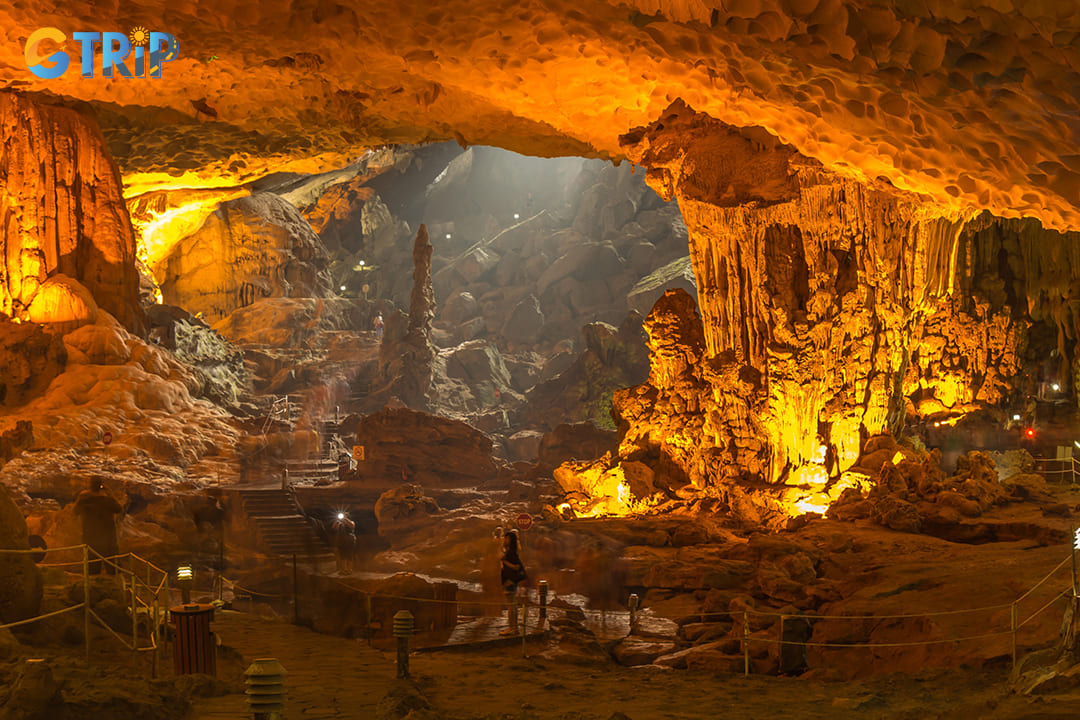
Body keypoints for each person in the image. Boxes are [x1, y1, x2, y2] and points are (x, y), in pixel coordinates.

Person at [74, 478, 123, 574]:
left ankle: (92, 587)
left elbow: (75, 511)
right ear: (101, 486)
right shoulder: (108, 501)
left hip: (91, 540)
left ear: (89, 486)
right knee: (112, 568)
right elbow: (119, 509)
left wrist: (80, 497)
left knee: (92, 569)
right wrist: (110, 493)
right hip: (108, 541)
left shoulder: (84, 501)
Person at [499, 529, 527, 635]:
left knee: (511, 606)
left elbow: (516, 567)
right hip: (509, 581)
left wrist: (504, 561)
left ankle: (512, 628)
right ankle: (513, 628)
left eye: (506, 538)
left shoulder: (511, 553)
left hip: (509, 581)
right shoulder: (510, 551)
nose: (504, 540)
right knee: (511, 605)